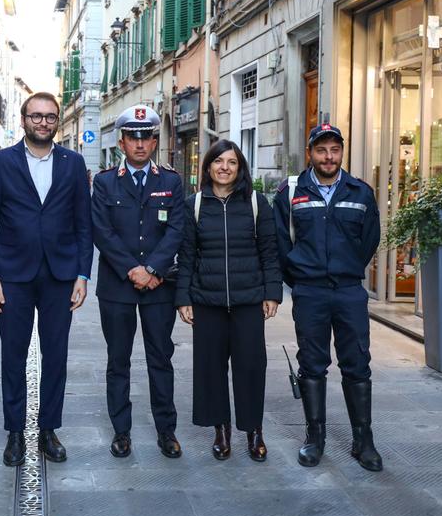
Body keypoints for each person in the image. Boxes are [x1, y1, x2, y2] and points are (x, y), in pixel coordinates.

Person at [0, 92, 93, 467]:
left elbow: (83, 224)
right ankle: (15, 432)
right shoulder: (0, 162)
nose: (42, 123)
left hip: (60, 274)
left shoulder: (73, 163)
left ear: (57, 121)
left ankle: (47, 429)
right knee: (13, 354)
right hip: (13, 274)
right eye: (36, 116)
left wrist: (82, 273)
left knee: (55, 354)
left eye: (49, 117)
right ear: (24, 119)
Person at [273, 123, 383, 472]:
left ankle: (363, 440)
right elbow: (280, 244)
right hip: (309, 292)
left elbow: (369, 240)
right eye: (321, 150)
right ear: (311, 153)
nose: (328, 156)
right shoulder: (291, 193)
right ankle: (314, 438)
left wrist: (347, 269)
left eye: (334, 150)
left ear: (341, 152)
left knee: (357, 363)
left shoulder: (361, 192)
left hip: (349, 291)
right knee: (312, 363)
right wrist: (302, 276)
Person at [175, 139, 281, 462]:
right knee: (211, 369)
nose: (225, 167)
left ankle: (254, 431)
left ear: (240, 168)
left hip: (248, 300)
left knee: (251, 367)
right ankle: (220, 430)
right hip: (207, 301)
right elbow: (187, 255)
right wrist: (183, 297)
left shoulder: (256, 203)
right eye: (218, 161)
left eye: (232, 162)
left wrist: (272, 292)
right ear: (208, 167)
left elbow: (269, 251)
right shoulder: (193, 205)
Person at [91, 104, 184, 459]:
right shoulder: (104, 182)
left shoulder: (171, 181)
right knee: (119, 360)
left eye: (147, 137)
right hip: (117, 288)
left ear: (156, 140)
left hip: (160, 288)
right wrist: (133, 270)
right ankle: (122, 431)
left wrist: (155, 270)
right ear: (121, 141)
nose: (140, 144)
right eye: (133, 137)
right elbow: (102, 231)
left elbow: (176, 230)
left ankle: (167, 430)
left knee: (161, 359)